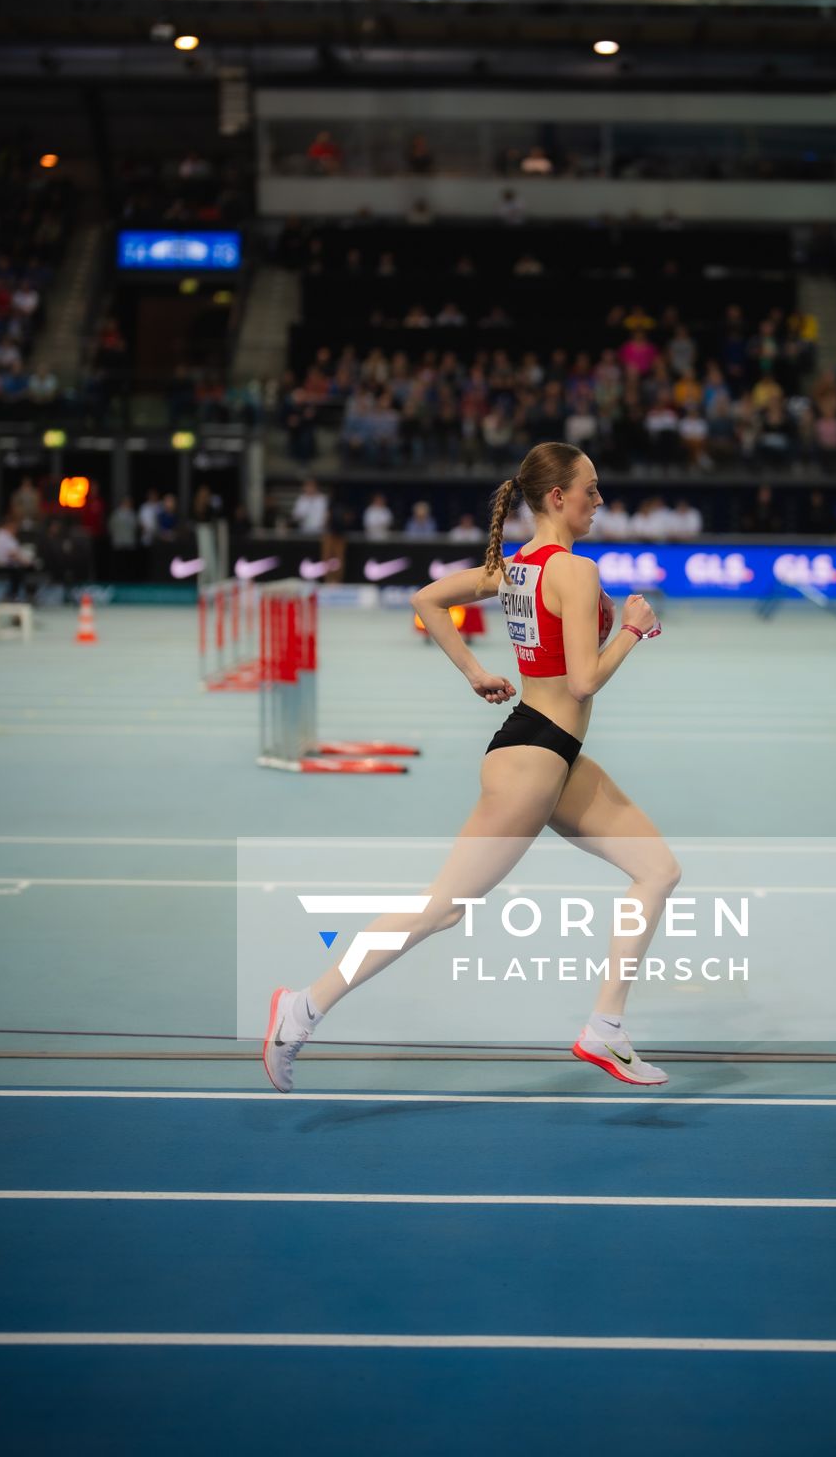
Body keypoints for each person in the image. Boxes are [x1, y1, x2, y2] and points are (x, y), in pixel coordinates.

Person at [263, 443, 675, 1092]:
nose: (601, 501)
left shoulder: (514, 567)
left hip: (550, 755)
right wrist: (633, 629)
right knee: (440, 910)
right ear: (559, 498)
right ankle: (303, 1006)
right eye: (592, 490)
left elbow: (427, 600)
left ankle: (606, 1028)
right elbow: (584, 682)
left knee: (658, 871)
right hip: (533, 758)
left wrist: (477, 674)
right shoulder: (573, 570)